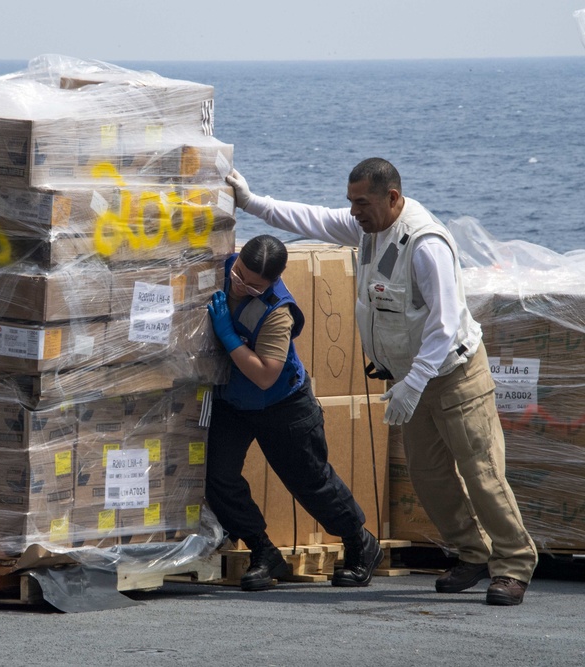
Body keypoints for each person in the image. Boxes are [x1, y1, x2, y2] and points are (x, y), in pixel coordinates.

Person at [226, 158, 538, 605]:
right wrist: (254, 202)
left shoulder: (425, 244)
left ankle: (513, 565)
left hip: (453, 375)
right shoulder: (368, 230)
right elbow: (311, 218)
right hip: (413, 379)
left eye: (362, 202)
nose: (353, 211)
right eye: (350, 202)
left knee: (482, 473)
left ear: (392, 198)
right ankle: (472, 554)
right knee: (429, 477)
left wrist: (414, 383)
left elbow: (445, 323)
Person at [205, 234, 384, 591]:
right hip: (233, 401)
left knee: (310, 481)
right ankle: (263, 551)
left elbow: (264, 374)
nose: (239, 286)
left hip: (281, 403)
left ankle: (359, 543)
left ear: (271, 282)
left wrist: (227, 334)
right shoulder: (219, 270)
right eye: (238, 274)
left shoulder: (277, 311)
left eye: (252, 285)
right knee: (217, 477)